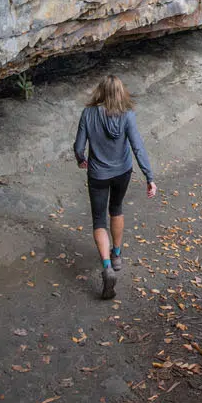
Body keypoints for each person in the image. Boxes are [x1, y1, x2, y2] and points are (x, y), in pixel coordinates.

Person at [73, 75, 157, 299]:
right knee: (116, 208)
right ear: (121, 92)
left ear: (100, 91)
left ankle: (107, 266)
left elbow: (79, 145)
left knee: (99, 220)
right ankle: (117, 254)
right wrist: (149, 176)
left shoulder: (88, 113)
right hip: (122, 172)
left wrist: (80, 158)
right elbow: (137, 146)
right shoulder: (128, 115)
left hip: (98, 174)